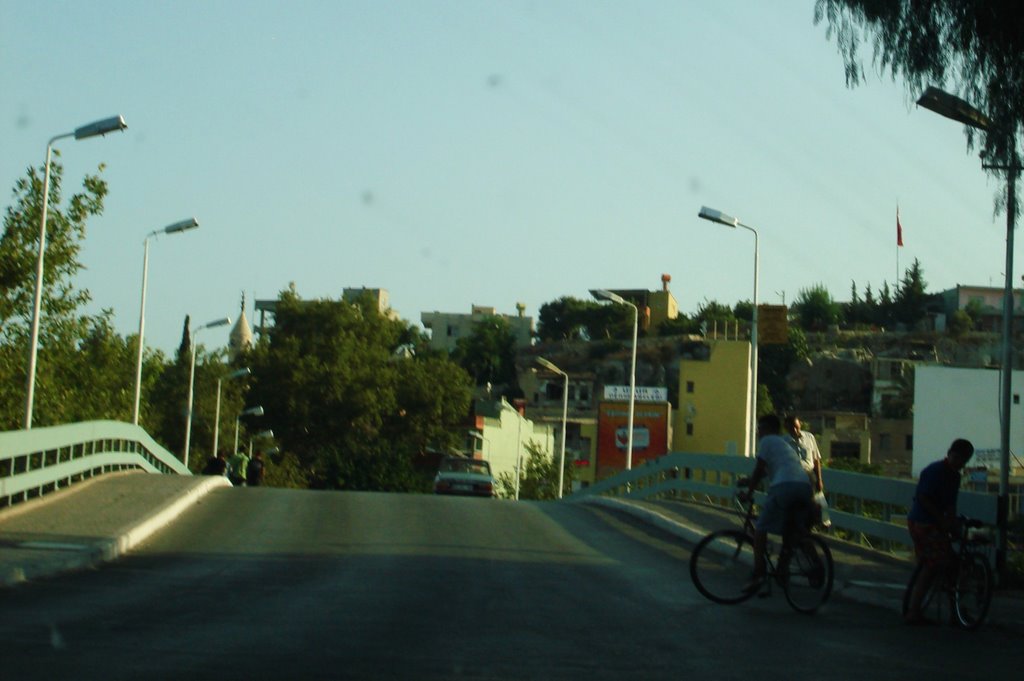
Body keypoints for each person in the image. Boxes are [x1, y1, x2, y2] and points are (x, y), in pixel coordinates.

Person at [904, 438, 975, 625]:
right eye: (958, 458)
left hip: (935, 524)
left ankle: (955, 612)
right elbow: (923, 498)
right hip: (922, 523)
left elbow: (951, 504)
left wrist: (952, 524)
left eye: (963, 460)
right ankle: (914, 610)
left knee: (953, 565)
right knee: (932, 564)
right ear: (950, 453)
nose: (960, 463)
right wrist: (942, 519)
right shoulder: (934, 471)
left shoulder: (955, 476)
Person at [741, 413, 814, 591]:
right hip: (804, 487)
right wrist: (748, 481)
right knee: (793, 530)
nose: (758, 432)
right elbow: (773, 469)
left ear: (767, 429)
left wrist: (748, 492)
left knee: (760, 530)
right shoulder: (783, 444)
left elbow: (759, 469)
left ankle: (759, 573)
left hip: (784, 487)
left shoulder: (767, 441)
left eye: (759, 428)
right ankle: (805, 565)